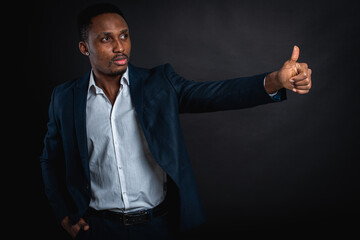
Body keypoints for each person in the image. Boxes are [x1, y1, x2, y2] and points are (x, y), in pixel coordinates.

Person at [40, 3, 312, 240]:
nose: (120, 46)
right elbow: (50, 160)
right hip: (97, 229)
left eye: (124, 35)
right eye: (106, 39)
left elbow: (215, 95)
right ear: (84, 47)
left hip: (157, 226)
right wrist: (63, 213)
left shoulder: (159, 83)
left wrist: (275, 80)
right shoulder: (64, 98)